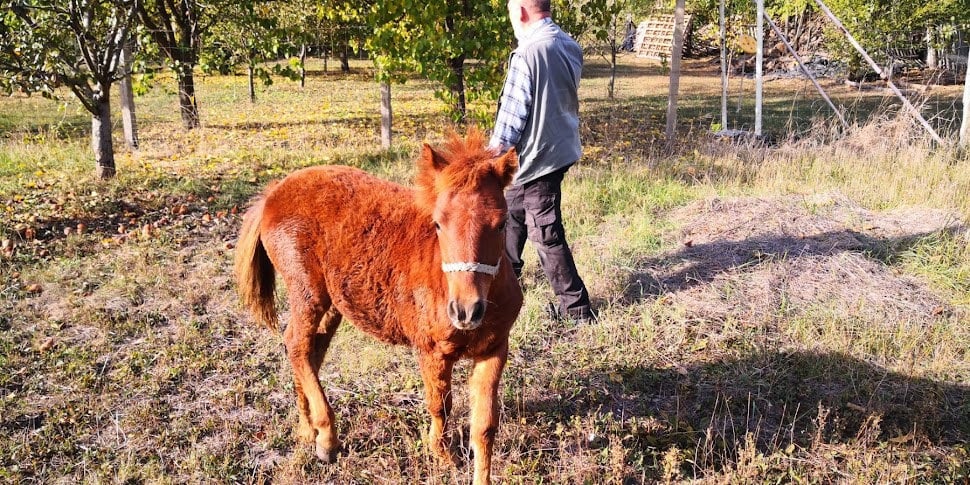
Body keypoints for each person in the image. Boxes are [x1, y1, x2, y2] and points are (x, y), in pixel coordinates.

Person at [489, 0, 595, 324]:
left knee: (546, 234)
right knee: (509, 223)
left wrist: (485, 161)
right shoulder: (569, 45)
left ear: (521, 11)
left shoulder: (528, 53)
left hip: (535, 160)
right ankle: (503, 296)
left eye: (510, 10)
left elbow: (510, 123)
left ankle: (577, 312)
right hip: (556, 152)